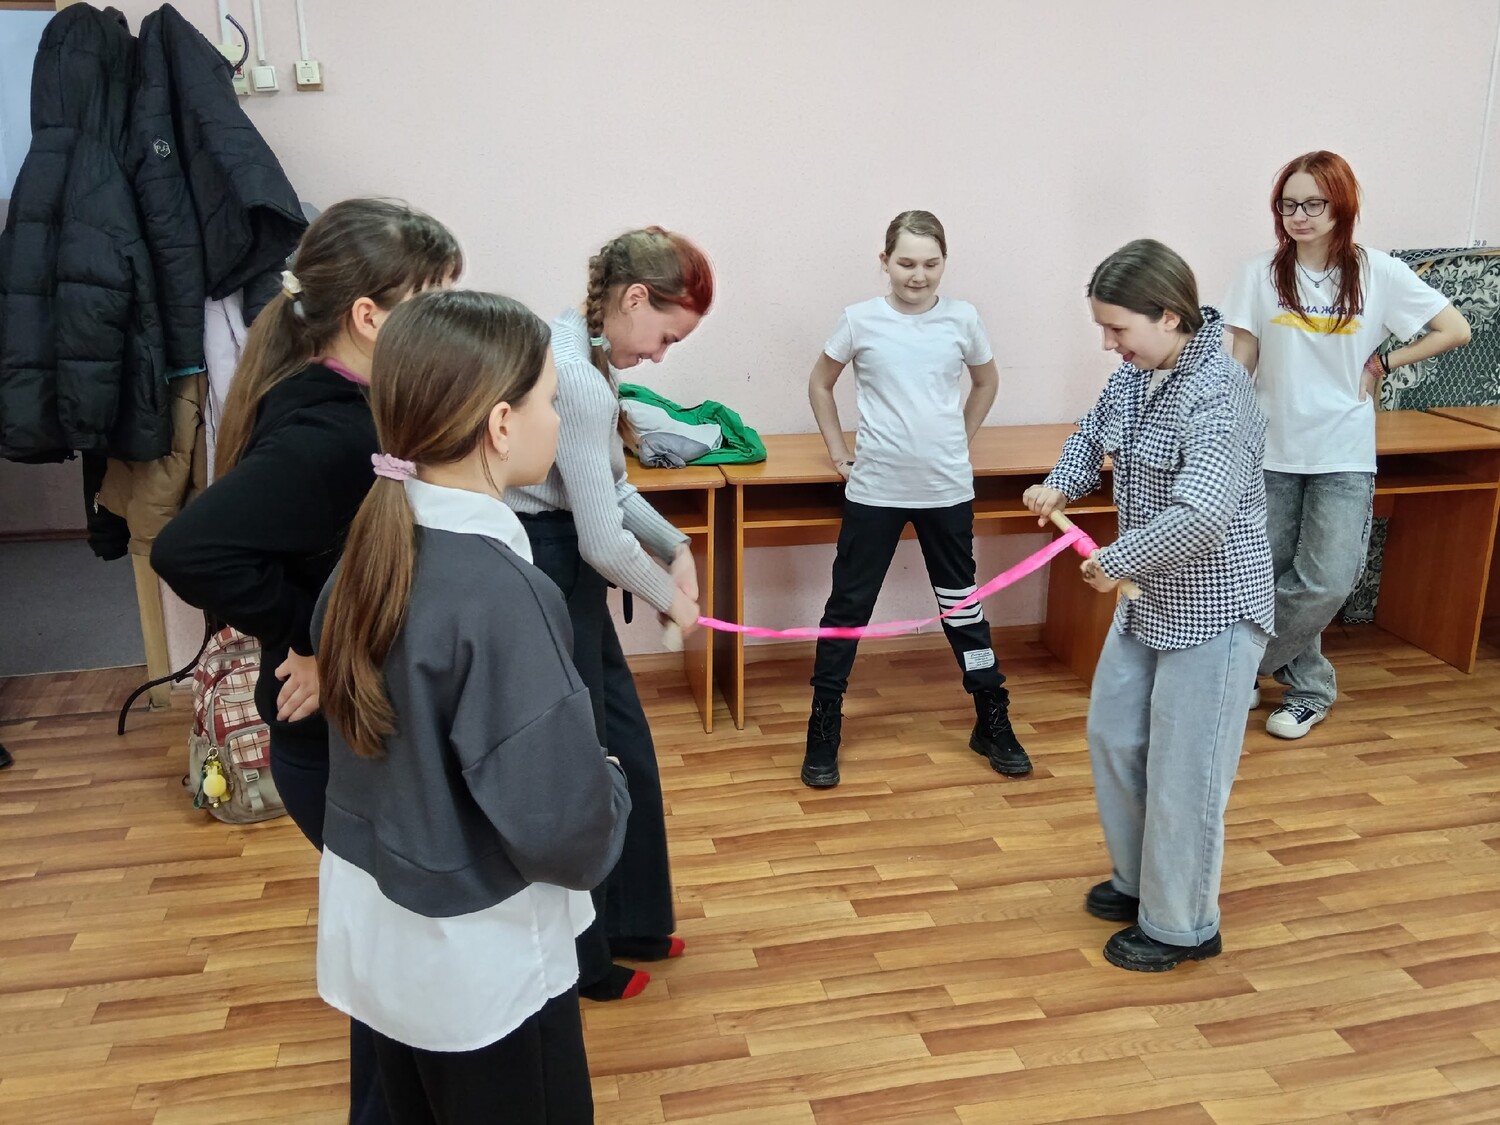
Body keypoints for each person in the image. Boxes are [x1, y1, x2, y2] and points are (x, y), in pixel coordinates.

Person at [152, 198, 462, 1124]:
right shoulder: (329, 433)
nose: (446, 319)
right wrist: (316, 638)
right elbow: (189, 551)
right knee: (399, 969)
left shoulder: (349, 407)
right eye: (433, 301)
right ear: (369, 316)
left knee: (396, 958)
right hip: (331, 746)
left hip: (349, 733)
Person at [315, 288, 630, 1123]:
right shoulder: (500, 595)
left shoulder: (363, 557)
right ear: (499, 426)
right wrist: (609, 778)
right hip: (482, 969)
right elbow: (563, 825)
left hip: (385, 939)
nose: (557, 420)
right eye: (550, 402)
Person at [1025, 239, 1274, 971]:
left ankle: (1181, 924)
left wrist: (1115, 560)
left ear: (1168, 315)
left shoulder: (1220, 393)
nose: (1109, 344)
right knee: (1114, 735)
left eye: (1118, 328)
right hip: (1151, 600)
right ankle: (1140, 881)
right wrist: (1062, 482)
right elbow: (1091, 432)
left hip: (1216, 607)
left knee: (1185, 769)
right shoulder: (1137, 376)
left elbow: (1202, 514)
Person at [506, 227, 712, 1000]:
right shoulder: (577, 375)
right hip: (552, 566)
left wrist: (676, 546)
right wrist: (671, 598)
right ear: (634, 298)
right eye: (666, 336)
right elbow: (598, 539)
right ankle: (584, 958)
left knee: (626, 743)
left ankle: (634, 918)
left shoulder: (582, 350)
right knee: (586, 764)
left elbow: (611, 487)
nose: (660, 355)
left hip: (569, 562)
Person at [1223, 151, 1471, 738]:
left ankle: (1235, 668)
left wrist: (1385, 361)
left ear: (1341, 205)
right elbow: (1241, 358)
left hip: (1343, 451)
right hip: (1270, 450)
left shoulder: (1378, 272)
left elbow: (1454, 329)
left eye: (1314, 203)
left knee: (1328, 579)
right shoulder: (1258, 273)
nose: (1299, 216)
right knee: (1265, 577)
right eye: (1288, 205)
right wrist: (1221, 429)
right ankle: (1308, 689)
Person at [801, 209, 1029, 790]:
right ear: (885, 261)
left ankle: (991, 715)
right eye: (905, 263)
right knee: (848, 606)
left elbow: (987, 382)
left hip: (945, 489)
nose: (918, 275)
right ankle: (824, 723)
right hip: (875, 489)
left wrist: (960, 438)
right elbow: (820, 383)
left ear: (944, 262)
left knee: (962, 605)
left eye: (930, 264)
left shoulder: (963, 318)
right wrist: (838, 453)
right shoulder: (859, 320)